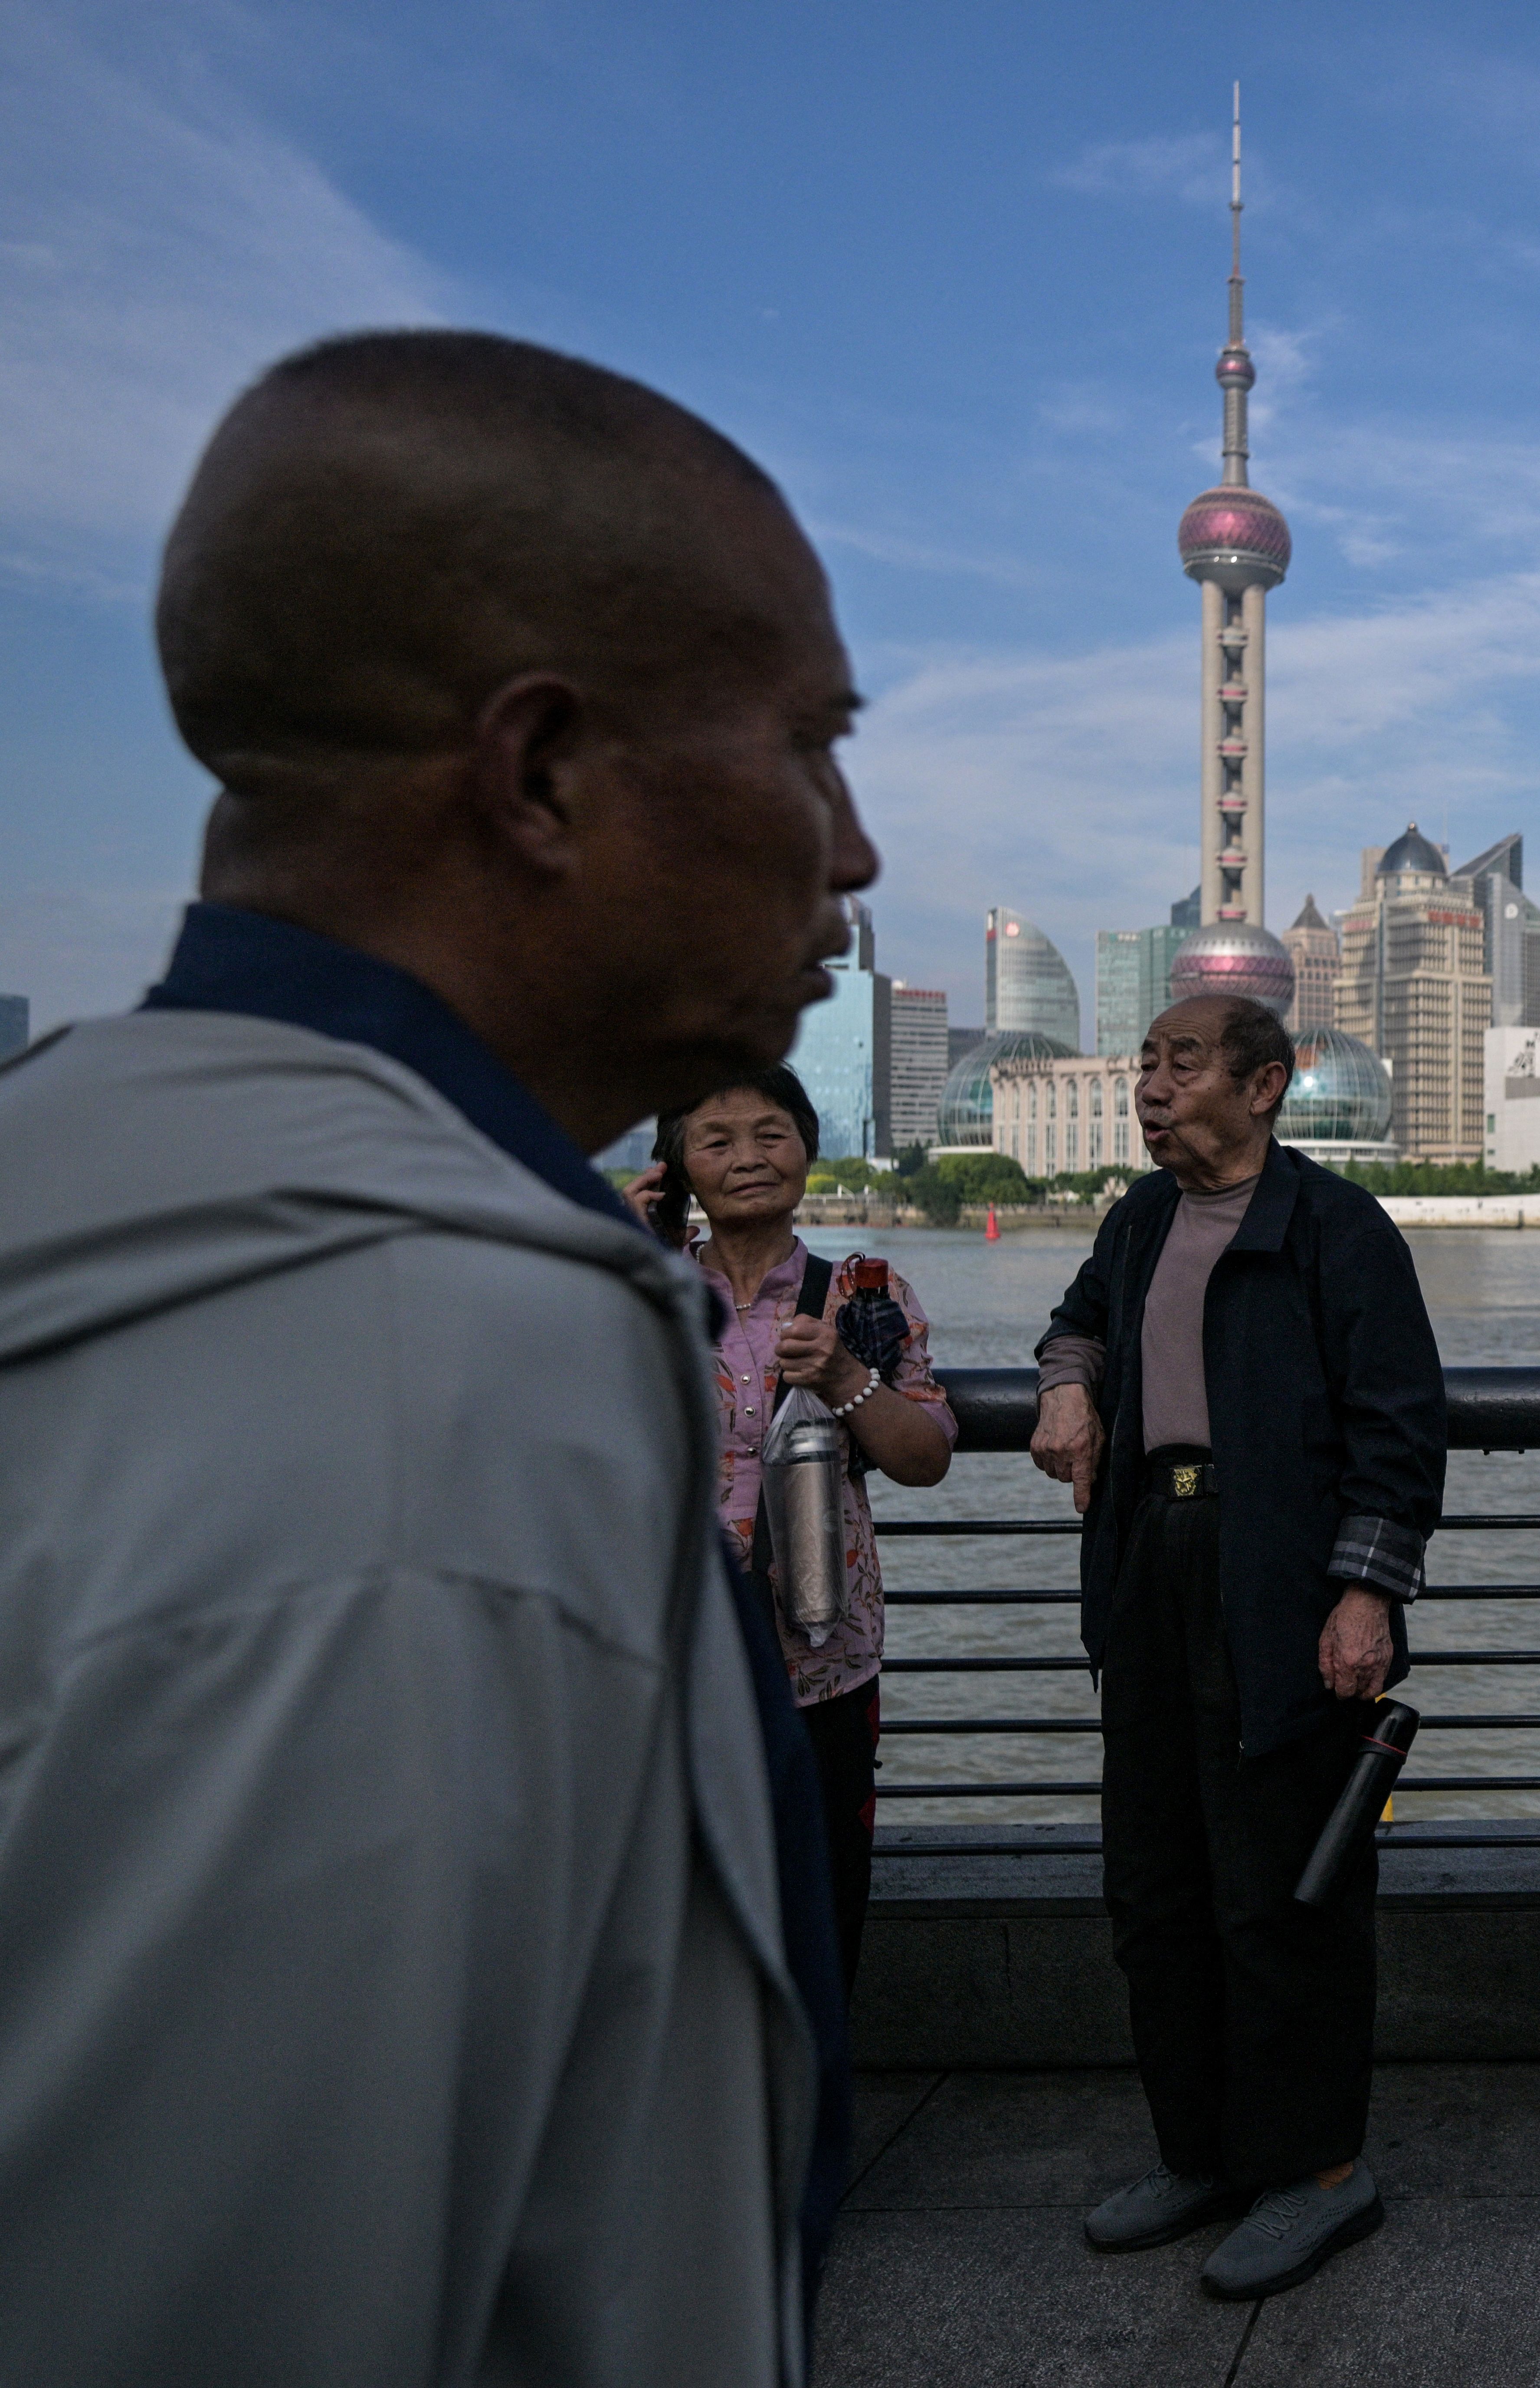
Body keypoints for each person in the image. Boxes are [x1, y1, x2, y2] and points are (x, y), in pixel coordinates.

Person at [0, 330, 864, 2380]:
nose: (853, 848)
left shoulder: (98, 1194)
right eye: (811, 743)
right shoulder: (423, 1399)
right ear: (541, 772)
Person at [1030, 993, 1448, 2300]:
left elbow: (1399, 1426)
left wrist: (1365, 1596)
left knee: (1284, 1885)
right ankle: (1200, 2150)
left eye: (1184, 1065)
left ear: (1265, 1085)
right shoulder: (1139, 1217)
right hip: (1154, 1557)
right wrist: (1064, 1381)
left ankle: (1319, 2170)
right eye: (1148, 1063)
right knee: (1156, 1881)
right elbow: (1079, 1314)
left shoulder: (1334, 1229)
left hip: (1281, 1578)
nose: (1153, 1086)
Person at [636, 1063, 954, 1994]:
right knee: (671, 1913)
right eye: (716, 1139)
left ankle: (809, 2121)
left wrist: (848, 1376)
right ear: (677, 1167)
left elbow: (925, 1453)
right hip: (666, 1656)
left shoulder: (861, 1288)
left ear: (808, 1151)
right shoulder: (637, 1283)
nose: (748, 1158)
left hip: (821, 1661)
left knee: (819, 1906)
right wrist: (629, 1241)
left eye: (772, 1134)